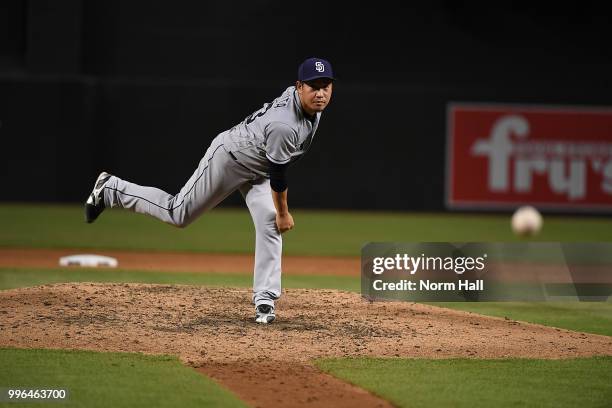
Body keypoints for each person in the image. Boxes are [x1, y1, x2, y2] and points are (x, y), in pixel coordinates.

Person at [84, 57, 335, 324]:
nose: (320, 93)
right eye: (313, 86)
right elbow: (279, 175)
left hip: (256, 165)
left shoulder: (308, 106)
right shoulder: (285, 125)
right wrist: (284, 213)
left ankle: (265, 299)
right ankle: (111, 188)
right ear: (298, 87)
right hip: (229, 159)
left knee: (268, 223)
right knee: (178, 213)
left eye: (325, 85)